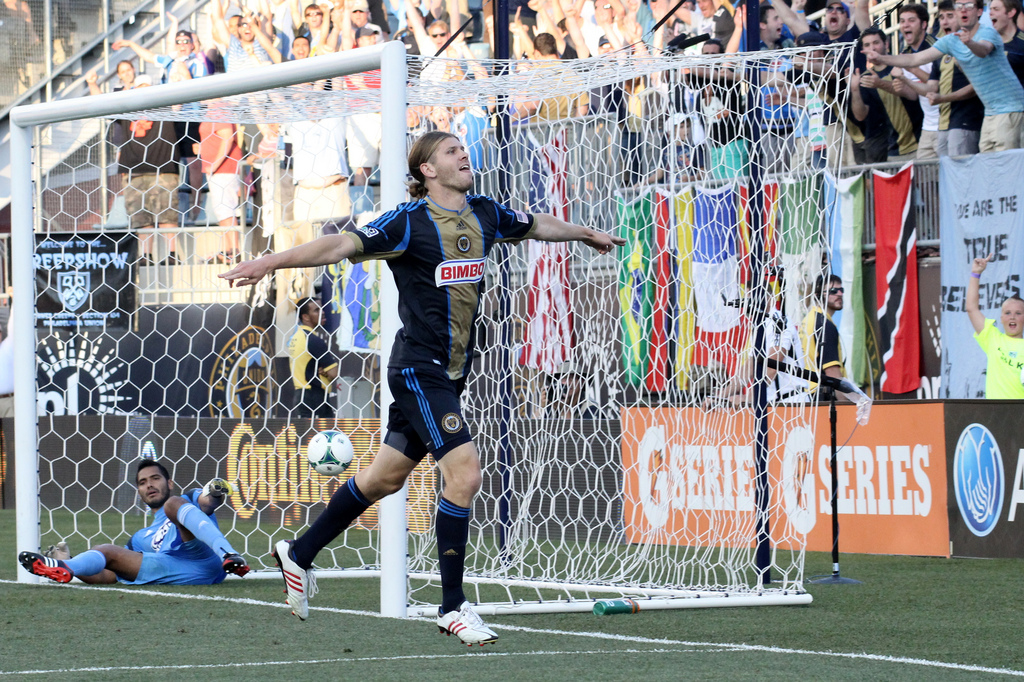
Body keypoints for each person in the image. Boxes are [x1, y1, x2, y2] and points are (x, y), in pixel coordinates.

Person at [219, 131, 624, 644]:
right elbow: (341, 244)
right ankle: (452, 606)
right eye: (451, 151)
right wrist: (270, 262)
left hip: (451, 372)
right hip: (418, 369)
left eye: (462, 148)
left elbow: (537, 224)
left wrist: (584, 233)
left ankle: (299, 553)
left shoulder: (484, 213)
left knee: (384, 479)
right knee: (465, 474)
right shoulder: (408, 221)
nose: (463, 154)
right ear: (427, 170)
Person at [18, 459, 250, 585]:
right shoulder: (140, 538)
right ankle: (64, 566)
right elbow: (110, 576)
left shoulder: (187, 499)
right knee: (106, 551)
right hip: (179, 571)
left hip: (204, 558)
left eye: (155, 478)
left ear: (169, 483)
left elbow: (207, 502)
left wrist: (215, 492)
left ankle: (228, 554)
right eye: (142, 482)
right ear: (138, 491)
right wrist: (72, 564)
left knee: (172, 505)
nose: (149, 485)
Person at [863, 0, 1024, 153]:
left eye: (969, 5)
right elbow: (914, 59)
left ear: (979, 11)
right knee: (989, 165)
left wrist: (970, 43)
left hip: (1011, 108)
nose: (963, 9)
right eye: (959, 6)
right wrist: (881, 58)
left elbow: (983, 50)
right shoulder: (951, 41)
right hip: (990, 112)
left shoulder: (988, 32)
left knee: (1005, 165)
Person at [965, 253, 1024, 398]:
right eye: (1008, 313)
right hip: (995, 410)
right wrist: (976, 274)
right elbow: (971, 308)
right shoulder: (992, 338)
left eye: (1018, 313)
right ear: (1001, 318)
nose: (1012, 317)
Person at [288, 297, 339, 417]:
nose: (323, 312)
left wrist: (322, 370)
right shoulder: (313, 340)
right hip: (314, 397)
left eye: (322, 308)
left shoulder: (297, 337)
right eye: (317, 310)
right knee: (322, 429)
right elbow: (334, 373)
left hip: (301, 395)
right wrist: (326, 372)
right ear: (305, 317)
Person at [800, 273, 845, 391]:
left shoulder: (809, 319)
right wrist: (846, 401)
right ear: (817, 295)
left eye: (841, 290)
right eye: (833, 291)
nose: (840, 294)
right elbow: (832, 373)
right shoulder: (824, 325)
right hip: (822, 393)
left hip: (807, 391)